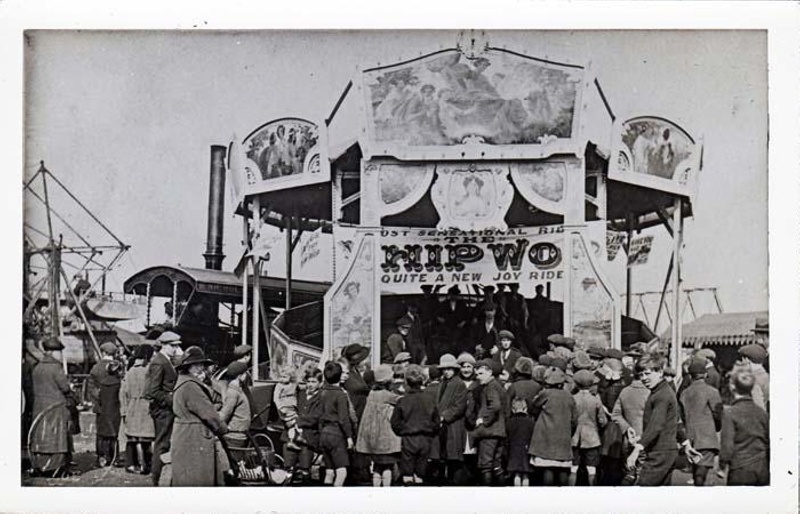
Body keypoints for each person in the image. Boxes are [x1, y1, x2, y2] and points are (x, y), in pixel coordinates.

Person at [625, 353, 688, 486]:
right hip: (666, 452)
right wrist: (685, 443)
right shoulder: (663, 391)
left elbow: (656, 425)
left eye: (647, 373)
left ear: (660, 372)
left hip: (659, 454)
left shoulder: (661, 395)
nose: (644, 378)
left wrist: (637, 449)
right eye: (641, 375)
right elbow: (674, 421)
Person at [169, 346, 228, 486]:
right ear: (192, 367)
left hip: (185, 435)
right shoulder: (191, 386)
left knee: (186, 477)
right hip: (194, 438)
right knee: (197, 479)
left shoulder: (183, 382)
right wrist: (223, 428)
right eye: (199, 364)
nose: (202, 368)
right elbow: (209, 414)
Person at [29, 336, 74, 477]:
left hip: (39, 408)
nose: (60, 355)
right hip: (56, 408)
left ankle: (41, 465)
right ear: (53, 352)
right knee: (57, 438)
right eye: (59, 351)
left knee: (41, 437)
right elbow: (65, 388)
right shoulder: (56, 368)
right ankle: (57, 468)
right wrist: (70, 388)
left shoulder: (37, 368)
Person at [143, 330, 183, 486]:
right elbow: (153, 390)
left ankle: (159, 476)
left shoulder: (164, 360)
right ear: (165, 346)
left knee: (163, 442)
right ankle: (157, 476)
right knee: (162, 443)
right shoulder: (159, 362)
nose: (175, 349)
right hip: (163, 410)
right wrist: (171, 400)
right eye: (173, 346)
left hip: (164, 409)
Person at [718, 369, 770, 485]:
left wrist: (722, 466)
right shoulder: (761, 413)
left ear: (732, 387)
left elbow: (727, 445)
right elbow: (768, 440)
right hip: (762, 467)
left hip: (740, 468)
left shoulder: (730, 413)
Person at [390, 364, 440, 486]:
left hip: (408, 438)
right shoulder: (429, 399)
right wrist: (430, 431)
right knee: (420, 472)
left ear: (406, 381)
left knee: (407, 472)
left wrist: (403, 430)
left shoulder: (403, 401)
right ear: (423, 379)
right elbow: (436, 422)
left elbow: (395, 423)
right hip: (425, 438)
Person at [529, 367, 577, 486]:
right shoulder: (569, 396)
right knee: (562, 468)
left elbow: (533, 407)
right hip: (563, 436)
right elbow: (574, 419)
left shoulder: (545, 393)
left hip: (546, 435)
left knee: (548, 467)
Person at [679, 358, 723, 486]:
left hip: (690, 438)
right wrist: (718, 427)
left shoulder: (684, 393)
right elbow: (718, 414)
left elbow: (681, 415)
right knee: (703, 473)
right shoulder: (712, 392)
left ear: (690, 375)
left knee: (696, 469)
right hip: (707, 437)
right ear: (705, 374)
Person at [356, 364, 402, 487]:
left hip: (373, 440)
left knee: (377, 467)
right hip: (385, 440)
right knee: (387, 467)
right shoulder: (387, 395)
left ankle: (375, 489)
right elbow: (402, 401)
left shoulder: (371, 393)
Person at [119, 345, 155, 474]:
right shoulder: (149, 371)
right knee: (146, 438)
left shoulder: (130, 372)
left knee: (132, 437)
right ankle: (146, 464)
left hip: (132, 406)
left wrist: (123, 409)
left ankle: (130, 464)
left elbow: (123, 392)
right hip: (145, 406)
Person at [317, 361, 354, 486]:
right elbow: (344, 418)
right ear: (340, 376)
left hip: (324, 434)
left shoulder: (322, 393)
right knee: (342, 472)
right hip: (336, 434)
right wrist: (349, 437)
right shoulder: (340, 395)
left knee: (329, 471)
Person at [87, 341, 123, 467]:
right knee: (115, 431)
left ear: (103, 353)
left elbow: (91, 388)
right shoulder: (119, 366)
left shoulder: (96, 368)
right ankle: (115, 457)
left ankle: (102, 456)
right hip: (115, 405)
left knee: (101, 432)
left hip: (101, 406)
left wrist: (100, 397)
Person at [472, 359, 507, 486]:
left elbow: (495, 406)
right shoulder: (498, 385)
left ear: (490, 372)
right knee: (496, 465)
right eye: (476, 374)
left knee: (485, 466)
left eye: (481, 374)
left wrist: (483, 420)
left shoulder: (490, 387)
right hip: (499, 431)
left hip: (488, 433)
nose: (478, 377)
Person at [570, 369, 608, 486]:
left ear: (576, 383)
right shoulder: (595, 400)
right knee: (592, 469)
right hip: (592, 438)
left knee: (573, 468)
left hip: (574, 437)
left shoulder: (572, 398)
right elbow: (603, 421)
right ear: (591, 384)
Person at [435, 354, 468, 485]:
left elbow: (460, 406)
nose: (446, 371)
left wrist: (444, 416)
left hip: (453, 425)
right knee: (443, 455)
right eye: (444, 369)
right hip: (442, 425)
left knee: (453, 457)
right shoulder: (442, 383)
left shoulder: (459, 384)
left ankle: (453, 483)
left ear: (454, 369)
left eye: (449, 369)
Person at [294, 367, 324, 485]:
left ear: (320, 383)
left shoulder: (321, 397)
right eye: (308, 381)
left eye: (313, 382)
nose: (310, 385)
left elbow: (315, 417)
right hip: (295, 432)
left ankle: (305, 477)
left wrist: (297, 421)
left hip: (311, 433)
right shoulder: (301, 394)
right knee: (288, 449)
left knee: (305, 452)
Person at [217, 361, 251, 449]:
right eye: (245, 373)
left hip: (238, 434)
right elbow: (225, 414)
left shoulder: (237, 390)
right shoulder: (233, 392)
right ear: (240, 376)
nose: (246, 375)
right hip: (234, 436)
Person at [506, 397, 535, 486]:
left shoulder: (509, 422)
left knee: (516, 474)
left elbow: (507, 439)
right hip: (527, 450)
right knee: (526, 475)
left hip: (513, 450)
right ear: (525, 408)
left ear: (513, 409)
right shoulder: (531, 422)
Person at [273, 365, 300, 451]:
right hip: (284, 409)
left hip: (292, 408)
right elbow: (276, 398)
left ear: (291, 377)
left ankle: (295, 439)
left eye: (285, 377)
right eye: (281, 377)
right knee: (292, 423)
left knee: (297, 422)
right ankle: (293, 439)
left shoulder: (294, 384)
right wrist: (280, 408)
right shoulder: (279, 386)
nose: (282, 379)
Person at [736, 344, 769, 412]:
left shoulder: (753, 379)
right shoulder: (765, 375)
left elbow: (759, 406)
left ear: (747, 359)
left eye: (742, 360)